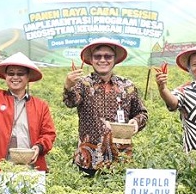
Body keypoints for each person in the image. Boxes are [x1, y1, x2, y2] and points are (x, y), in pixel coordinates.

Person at [62, 38, 149, 174]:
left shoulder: (127, 86)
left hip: (120, 158)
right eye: (98, 56)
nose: (103, 60)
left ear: (114, 59)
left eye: (108, 56)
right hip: (88, 160)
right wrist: (68, 86)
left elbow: (142, 113)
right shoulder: (83, 84)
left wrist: (135, 123)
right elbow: (71, 102)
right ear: (91, 60)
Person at [0, 52, 57, 172]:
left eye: (20, 74)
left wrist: (39, 147)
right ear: (5, 76)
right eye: (11, 73)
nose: (15, 77)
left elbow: (49, 134)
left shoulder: (40, 106)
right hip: (2, 165)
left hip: (31, 165)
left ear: (28, 78)